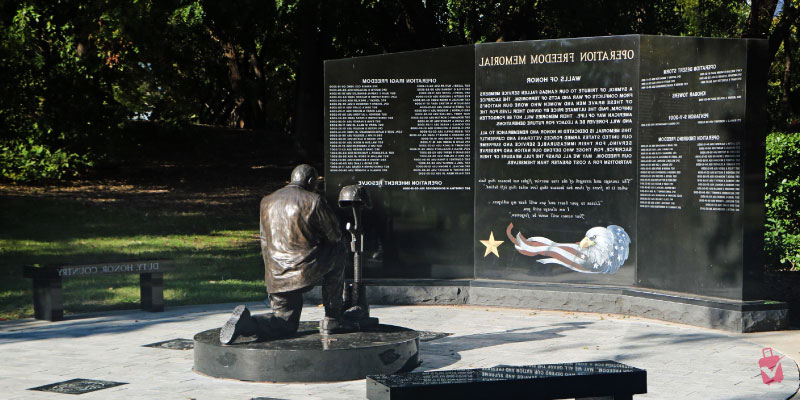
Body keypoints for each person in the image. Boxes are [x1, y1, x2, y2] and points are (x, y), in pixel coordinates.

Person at [220, 164, 352, 344]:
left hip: (276, 275)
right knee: (339, 251)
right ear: (311, 181)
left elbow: (264, 240)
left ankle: (248, 324)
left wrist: (271, 276)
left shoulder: (266, 201)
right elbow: (335, 236)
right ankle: (333, 316)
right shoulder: (314, 201)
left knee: (284, 323)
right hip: (305, 270)